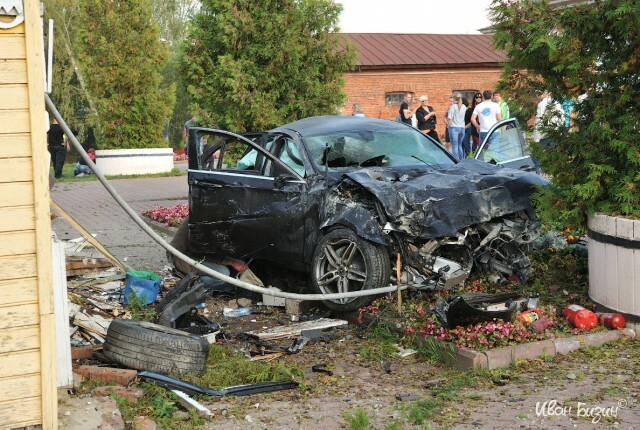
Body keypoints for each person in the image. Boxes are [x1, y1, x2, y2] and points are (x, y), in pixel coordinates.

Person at [532, 91, 564, 174]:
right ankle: (558, 174)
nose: (541, 96)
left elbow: (540, 120)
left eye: (542, 94)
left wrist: (536, 137)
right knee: (555, 155)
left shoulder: (541, 104)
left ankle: (537, 174)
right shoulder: (558, 104)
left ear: (546, 94)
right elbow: (562, 118)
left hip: (543, 134)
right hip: (554, 132)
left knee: (536, 156)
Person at [446, 92, 467, 160]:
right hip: (462, 128)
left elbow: (449, 118)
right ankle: (461, 160)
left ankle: (456, 161)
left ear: (454, 98)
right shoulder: (464, 106)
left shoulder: (453, 106)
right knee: (459, 145)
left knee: (454, 146)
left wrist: (448, 126)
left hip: (454, 127)